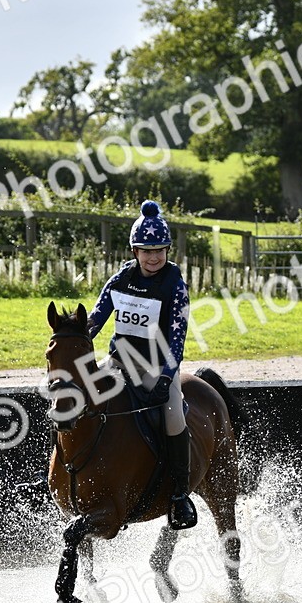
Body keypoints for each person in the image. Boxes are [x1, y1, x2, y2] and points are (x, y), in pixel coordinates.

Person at [86, 200, 197, 529]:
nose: (153, 257)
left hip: (157, 367)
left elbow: (178, 338)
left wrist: (167, 376)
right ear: (134, 251)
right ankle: (55, 473)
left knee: (174, 418)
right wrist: (73, 338)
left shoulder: (175, 286)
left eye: (159, 250)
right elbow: (95, 320)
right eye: (146, 251)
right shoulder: (119, 280)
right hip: (119, 361)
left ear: (167, 250)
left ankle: (179, 497)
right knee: (75, 399)